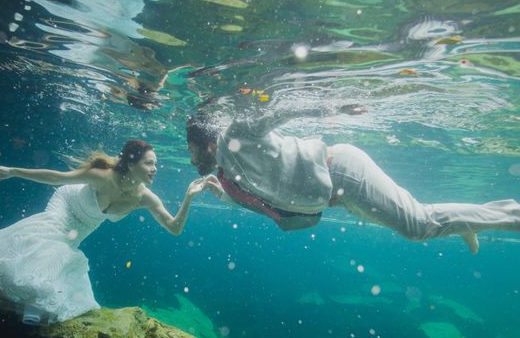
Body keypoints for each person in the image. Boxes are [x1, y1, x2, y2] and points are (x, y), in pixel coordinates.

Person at [186, 98, 520, 254]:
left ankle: (511, 216)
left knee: (419, 226)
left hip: (344, 172)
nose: (190, 159)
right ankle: (469, 219)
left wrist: (332, 107)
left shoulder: (235, 132)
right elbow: (275, 207)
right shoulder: (226, 176)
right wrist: (227, 197)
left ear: (205, 142)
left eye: (190, 150)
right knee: (418, 223)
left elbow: (277, 112)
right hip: (339, 198)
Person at [0, 140, 208, 325]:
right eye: (150, 163)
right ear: (131, 163)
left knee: (54, 276)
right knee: (47, 253)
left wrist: (189, 197)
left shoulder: (144, 198)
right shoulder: (104, 176)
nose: (155, 168)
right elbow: (57, 177)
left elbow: (173, 228)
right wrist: (12, 171)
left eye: (156, 163)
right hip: (65, 208)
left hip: (81, 229)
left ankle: (18, 313)